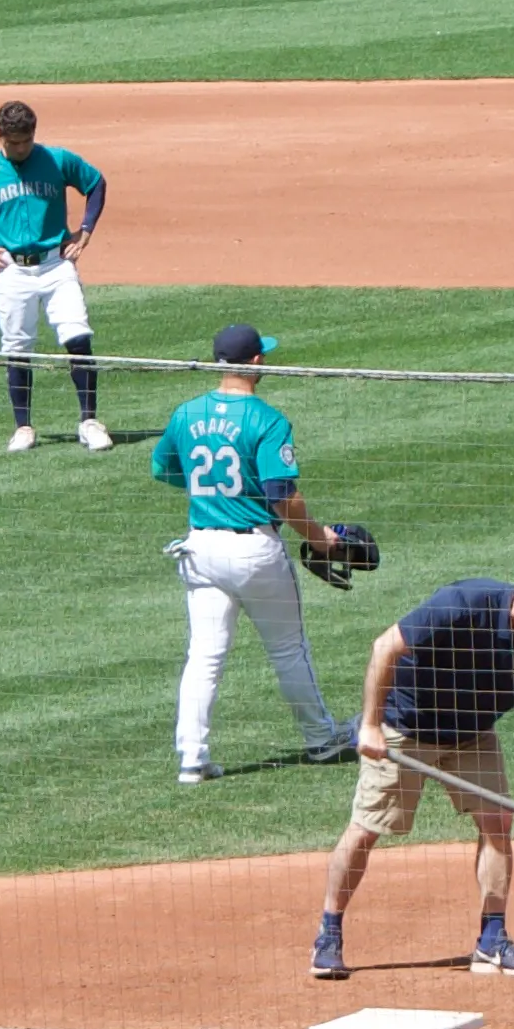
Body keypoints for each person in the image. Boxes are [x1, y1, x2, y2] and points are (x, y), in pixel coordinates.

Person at [316, 563, 514, 982]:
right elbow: (384, 647)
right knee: (367, 828)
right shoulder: (461, 605)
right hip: (406, 727)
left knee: (497, 824)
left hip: (472, 733)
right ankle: (328, 935)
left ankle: (491, 941)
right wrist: (371, 725)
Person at [154, 322, 358, 782]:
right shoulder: (267, 420)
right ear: (257, 363)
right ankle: (321, 739)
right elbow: (283, 495)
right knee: (288, 649)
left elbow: (163, 467)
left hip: (199, 546)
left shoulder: (187, 413)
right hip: (254, 550)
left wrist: (211, 497)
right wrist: (319, 537)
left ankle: (192, 758)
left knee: (204, 655)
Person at [0, 98, 109, 449]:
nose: (19, 149)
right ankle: (23, 427)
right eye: (12, 143)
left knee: (78, 335)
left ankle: (89, 421)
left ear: (34, 134)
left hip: (56, 263)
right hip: (12, 269)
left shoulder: (57, 159)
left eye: (26, 142)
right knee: (17, 346)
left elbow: (96, 183)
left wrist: (86, 229)